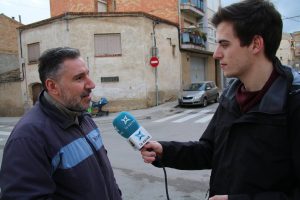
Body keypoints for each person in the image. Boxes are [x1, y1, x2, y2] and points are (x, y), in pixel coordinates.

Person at [141, 0, 300, 199]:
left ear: (255, 44)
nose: (216, 54)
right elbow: (210, 151)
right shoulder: (230, 97)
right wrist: (165, 151)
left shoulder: (293, 101)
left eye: (224, 44)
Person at [0, 47, 122, 199]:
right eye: (79, 78)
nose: (91, 84)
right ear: (52, 86)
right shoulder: (28, 138)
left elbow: (105, 174)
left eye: (87, 74)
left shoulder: (83, 117)